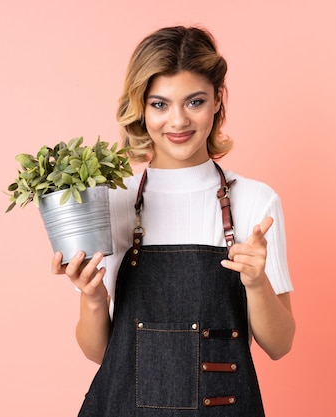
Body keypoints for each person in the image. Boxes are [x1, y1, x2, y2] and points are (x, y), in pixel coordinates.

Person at [51, 26, 295, 416]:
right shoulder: (114, 199)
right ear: (141, 108)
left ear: (217, 100)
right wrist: (93, 298)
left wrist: (256, 282)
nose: (177, 121)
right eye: (160, 104)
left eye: (194, 101)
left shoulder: (255, 201)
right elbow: (99, 353)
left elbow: (280, 344)